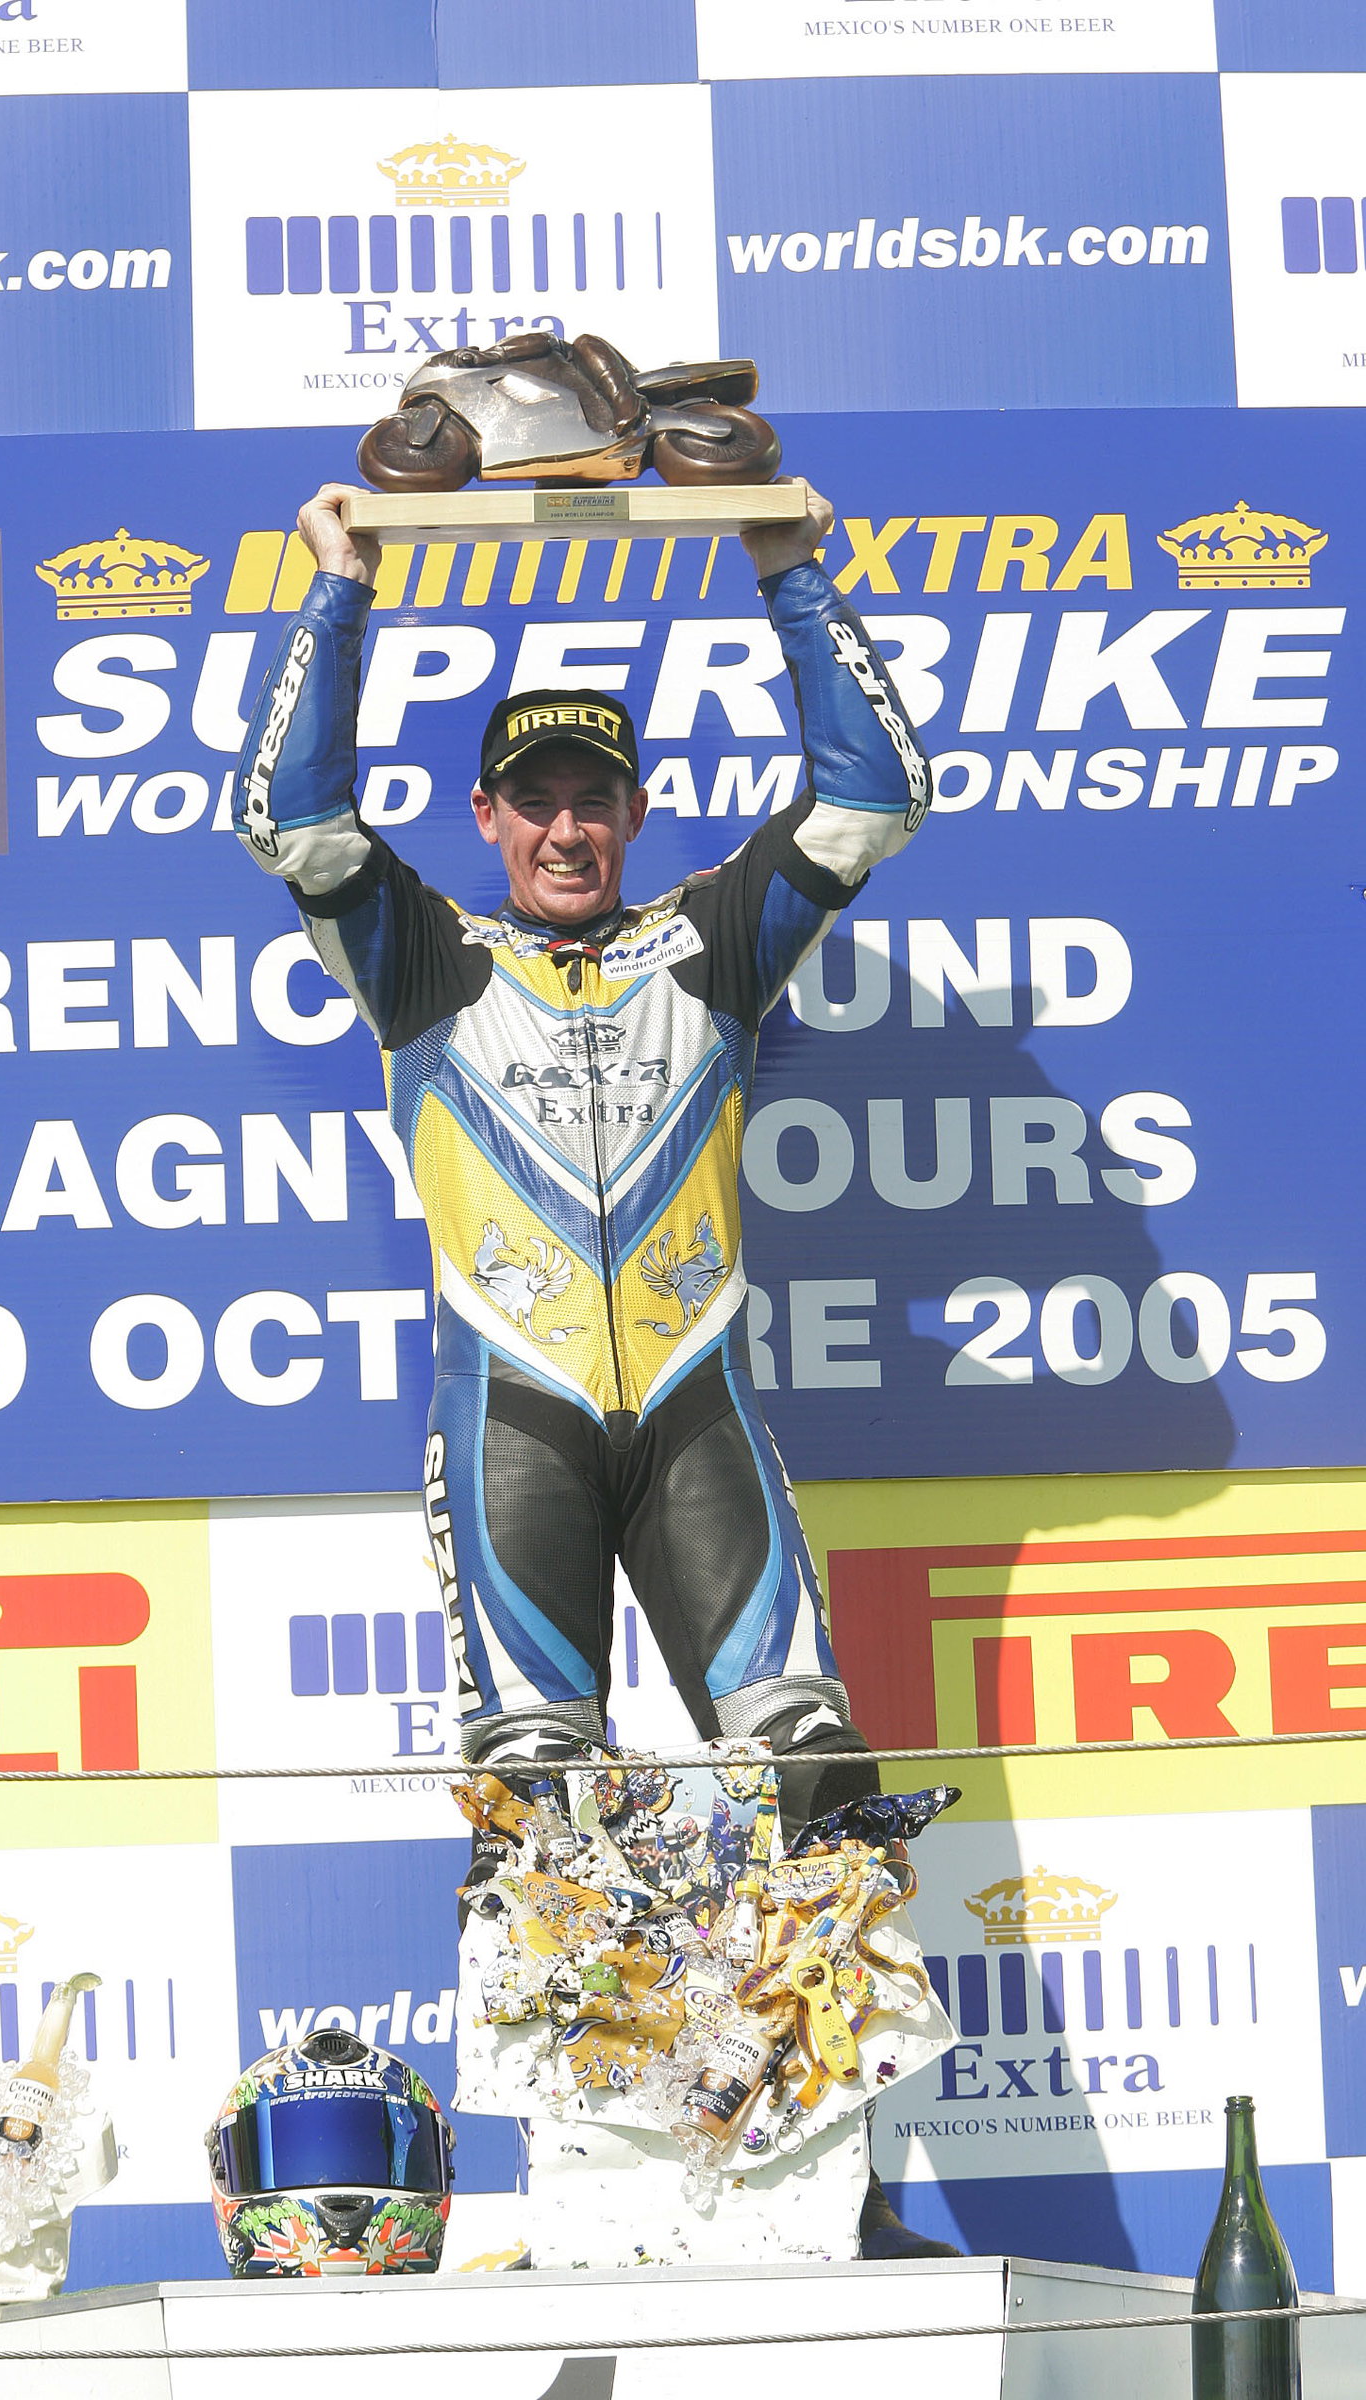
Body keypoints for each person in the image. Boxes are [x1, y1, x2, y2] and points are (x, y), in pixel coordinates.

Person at [233, 480, 953, 2256]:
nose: (567, 827)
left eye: (594, 797)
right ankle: (601, 2201)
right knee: (540, 1799)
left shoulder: (708, 942)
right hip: (517, 1418)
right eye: (535, 798)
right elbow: (292, 812)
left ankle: (822, 2196)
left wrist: (788, 571)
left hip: (701, 1407)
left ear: (636, 814)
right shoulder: (419, 956)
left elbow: (876, 793)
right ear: (486, 816)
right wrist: (341, 590)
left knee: (806, 1774)